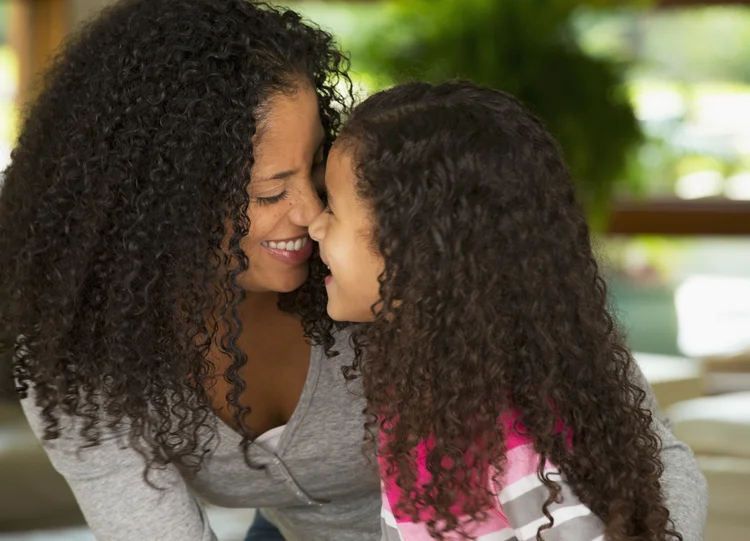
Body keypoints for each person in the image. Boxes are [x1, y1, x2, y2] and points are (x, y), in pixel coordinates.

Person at [0, 1, 706, 540]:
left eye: (314, 171)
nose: (309, 215)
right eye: (272, 192)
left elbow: (648, 459)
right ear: (157, 204)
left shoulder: (401, 266)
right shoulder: (74, 344)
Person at [309, 80, 704, 541]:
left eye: (333, 209)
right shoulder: (428, 394)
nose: (315, 224)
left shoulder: (521, 450)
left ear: (412, 250)